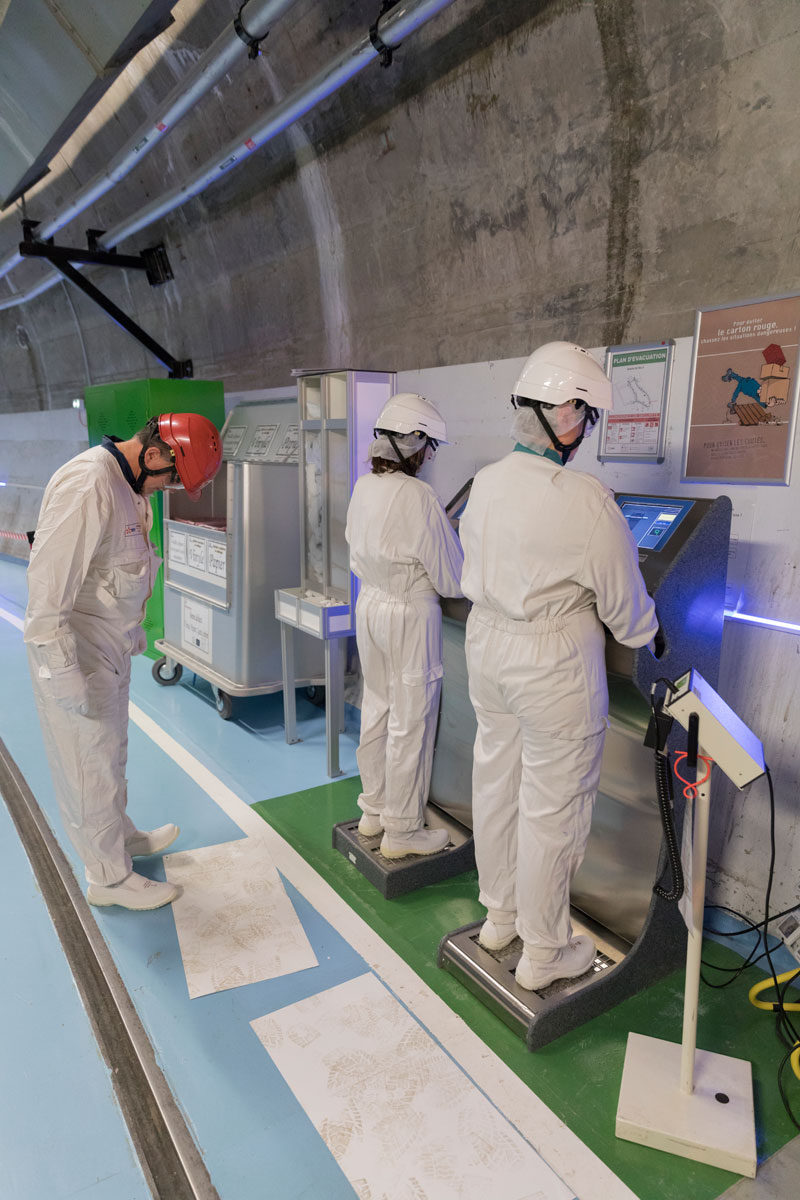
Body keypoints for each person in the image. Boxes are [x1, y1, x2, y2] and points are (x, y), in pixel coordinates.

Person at [459, 342, 658, 990]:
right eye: (587, 416)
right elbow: (626, 611)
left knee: (496, 784)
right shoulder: (585, 498)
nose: (586, 430)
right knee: (553, 806)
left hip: (488, 646)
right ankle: (545, 951)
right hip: (551, 663)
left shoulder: (487, 482)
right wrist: (652, 633)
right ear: (567, 413)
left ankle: (500, 918)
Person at [24, 413, 222, 911]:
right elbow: (47, 592)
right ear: (153, 454)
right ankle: (108, 878)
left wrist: (129, 629)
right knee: (88, 763)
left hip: (107, 648)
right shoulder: (88, 483)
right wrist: (62, 671)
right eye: (169, 480)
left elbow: (114, 570)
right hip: (78, 652)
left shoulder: (128, 485)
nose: (165, 490)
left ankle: (119, 837)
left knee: (111, 754)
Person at [346, 392, 464, 858]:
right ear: (414, 444)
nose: (430, 456)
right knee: (411, 719)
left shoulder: (364, 487)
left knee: (376, 707)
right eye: (429, 446)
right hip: (409, 614)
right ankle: (403, 831)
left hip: (370, 605)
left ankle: (374, 810)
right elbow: (451, 579)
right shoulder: (419, 496)